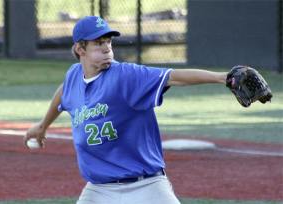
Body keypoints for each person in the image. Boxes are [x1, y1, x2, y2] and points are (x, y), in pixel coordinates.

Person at [24, 16, 227, 204]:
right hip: (98, 190)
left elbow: (174, 76)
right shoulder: (74, 76)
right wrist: (43, 126)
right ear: (80, 49)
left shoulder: (126, 76)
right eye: (98, 43)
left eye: (108, 42)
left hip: (146, 186)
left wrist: (222, 78)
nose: (106, 48)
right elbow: (64, 92)